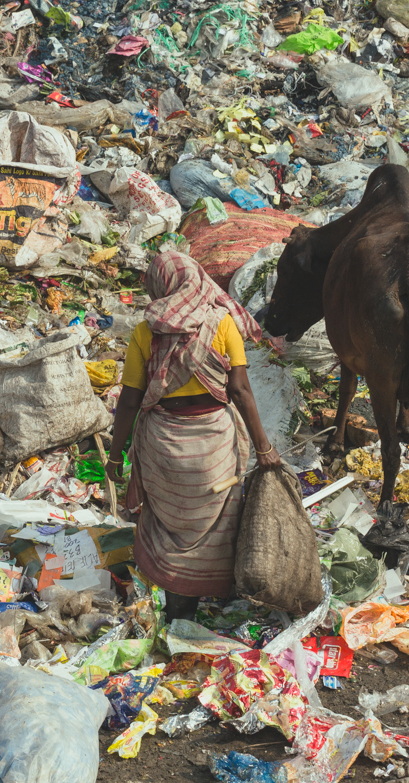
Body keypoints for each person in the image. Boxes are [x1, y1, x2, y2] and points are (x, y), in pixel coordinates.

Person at [106, 252, 284, 624]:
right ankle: (215, 588)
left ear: (162, 286)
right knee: (218, 520)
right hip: (213, 446)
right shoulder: (221, 322)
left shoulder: (146, 330)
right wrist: (264, 448)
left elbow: (129, 402)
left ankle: (178, 607)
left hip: (163, 448)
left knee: (170, 524)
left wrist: (114, 456)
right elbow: (240, 390)